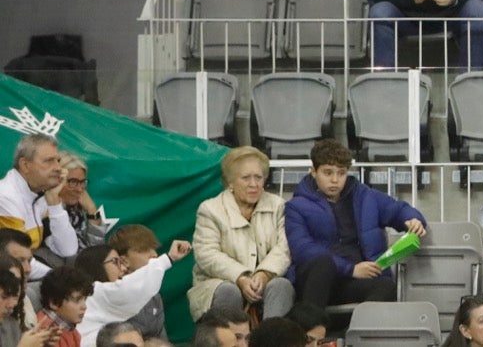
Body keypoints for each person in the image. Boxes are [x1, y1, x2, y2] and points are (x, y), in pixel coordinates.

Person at [284, 140, 425, 309]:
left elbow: (397, 209)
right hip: (318, 282)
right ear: (313, 171)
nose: (335, 180)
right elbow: (303, 250)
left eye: (341, 173)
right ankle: (314, 330)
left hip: (358, 280)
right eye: (328, 173)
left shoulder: (365, 196)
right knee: (322, 263)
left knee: (385, 286)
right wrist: (350, 269)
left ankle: (363, 332)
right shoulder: (296, 206)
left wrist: (413, 220)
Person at [188, 147, 292, 320]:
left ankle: (272, 339)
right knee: (228, 290)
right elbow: (206, 254)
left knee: (281, 285)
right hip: (219, 283)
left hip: (265, 280)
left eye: (258, 177)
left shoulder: (278, 206)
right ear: (230, 182)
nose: (254, 184)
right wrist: (241, 277)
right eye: (246, 178)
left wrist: (264, 274)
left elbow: (285, 247)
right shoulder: (210, 209)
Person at [76, 236, 191, 346]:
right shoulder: (96, 292)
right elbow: (131, 288)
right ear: (96, 265)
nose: (123, 268)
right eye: (115, 262)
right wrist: (169, 258)